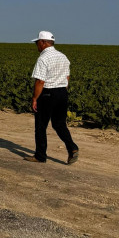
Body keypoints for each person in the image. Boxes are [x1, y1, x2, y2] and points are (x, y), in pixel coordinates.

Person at [24, 31, 79, 164]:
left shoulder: (43, 58)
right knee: (59, 124)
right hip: (62, 92)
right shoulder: (63, 56)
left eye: (37, 43)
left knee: (41, 126)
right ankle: (72, 148)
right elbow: (67, 77)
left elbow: (40, 81)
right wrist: (62, 92)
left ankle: (40, 156)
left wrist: (35, 98)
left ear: (43, 42)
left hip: (48, 93)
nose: (36, 45)